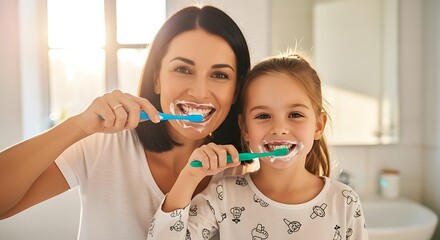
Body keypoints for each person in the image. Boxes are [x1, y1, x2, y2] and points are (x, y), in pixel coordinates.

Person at [0, 5, 250, 239]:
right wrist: (78, 126)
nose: (199, 92)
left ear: (236, 91)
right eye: (183, 70)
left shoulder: (242, 175)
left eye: (219, 75)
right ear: (156, 78)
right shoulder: (105, 143)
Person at [147, 54, 369, 239]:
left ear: (318, 126)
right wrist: (189, 177)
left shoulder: (344, 201)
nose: (279, 128)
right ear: (244, 128)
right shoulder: (224, 196)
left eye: (295, 114)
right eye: (263, 115)